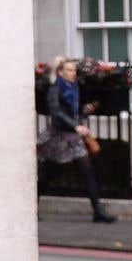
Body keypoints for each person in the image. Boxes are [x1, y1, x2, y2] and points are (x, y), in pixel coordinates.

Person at [40, 59, 112, 223]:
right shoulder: (55, 89)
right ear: (60, 72)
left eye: (74, 70)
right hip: (59, 137)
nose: (73, 73)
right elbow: (56, 112)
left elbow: (74, 111)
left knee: (87, 170)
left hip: (73, 137)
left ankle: (98, 211)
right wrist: (75, 126)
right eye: (69, 70)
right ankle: (32, 208)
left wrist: (84, 111)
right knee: (50, 173)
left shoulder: (74, 88)